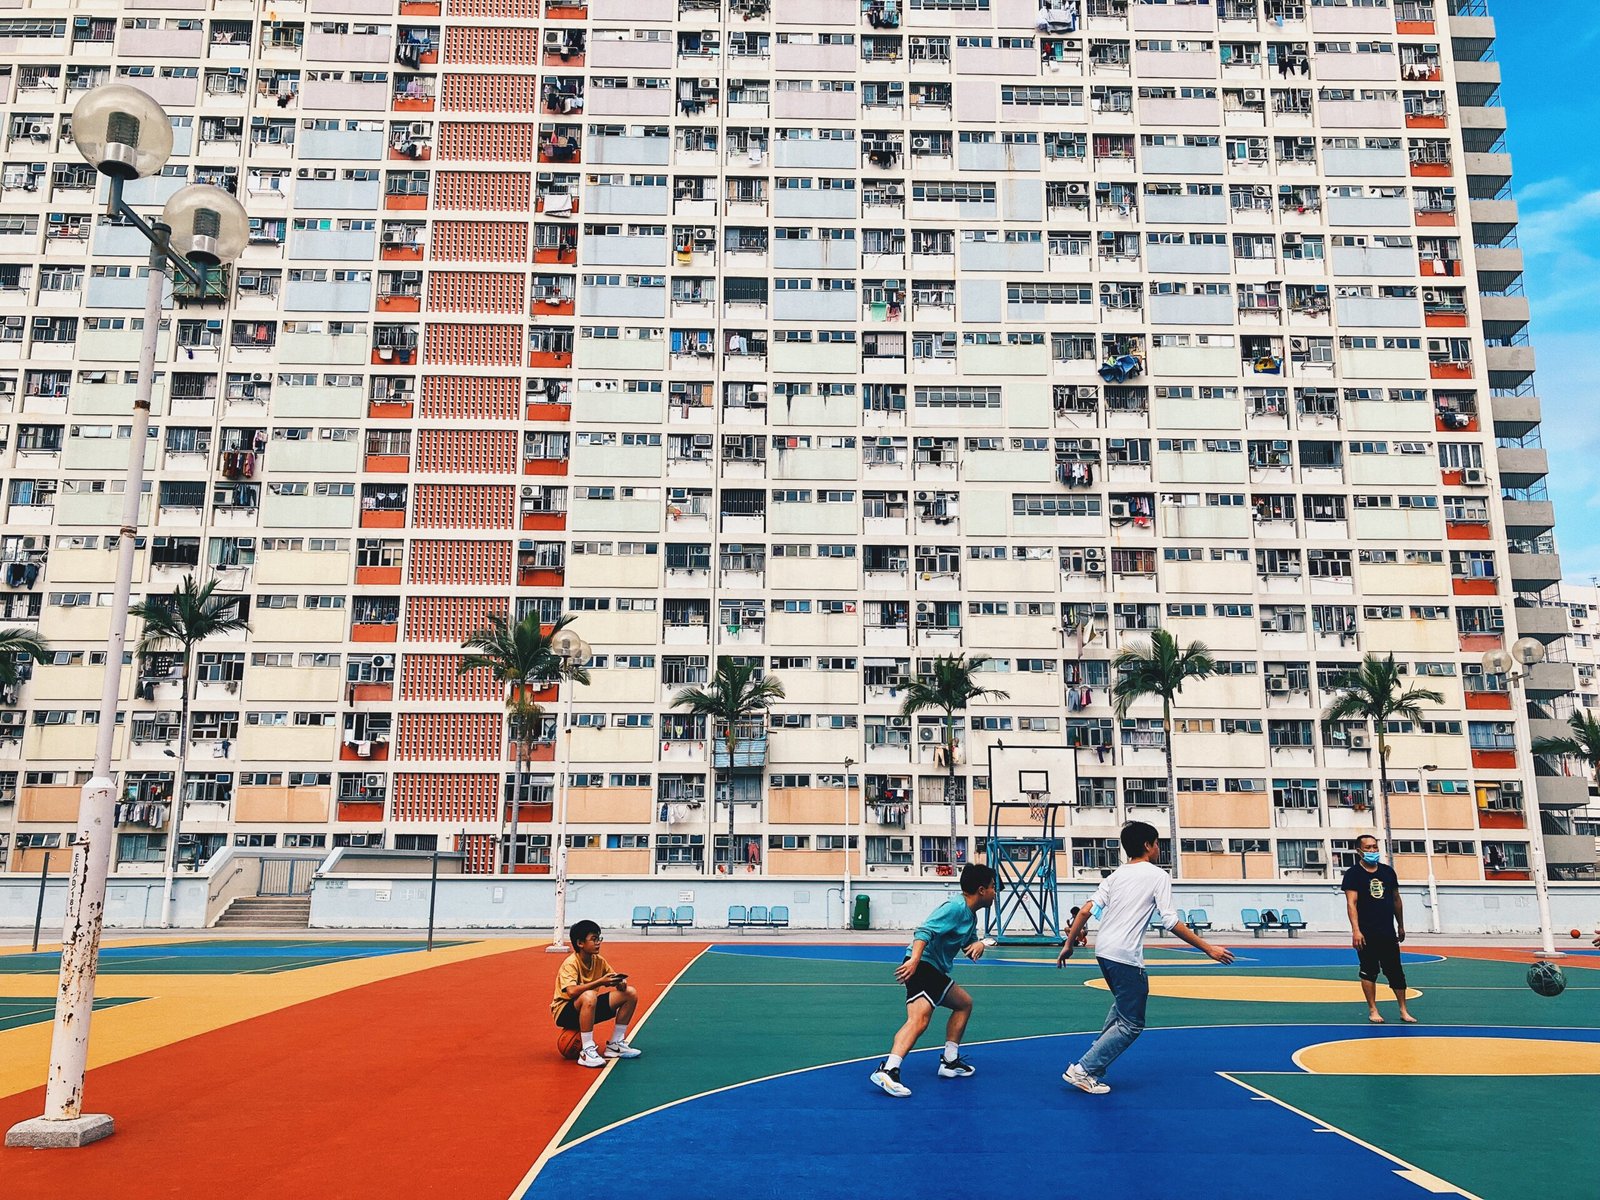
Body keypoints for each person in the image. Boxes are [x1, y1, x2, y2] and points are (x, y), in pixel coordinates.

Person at [1057, 821, 1234, 1095]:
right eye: (1157, 843)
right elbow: (1170, 921)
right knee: (1132, 1024)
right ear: (1147, 845)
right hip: (1125, 955)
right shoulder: (1157, 876)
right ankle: (1084, 1069)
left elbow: (1084, 911)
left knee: (1122, 1010)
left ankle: (1095, 1061)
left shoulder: (1115, 876)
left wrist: (1069, 945)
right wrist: (1208, 949)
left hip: (1104, 951)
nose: (1159, 848)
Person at [869, 863, 998, 1098]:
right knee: (919, 1020)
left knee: (964, 1004)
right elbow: (924, 932)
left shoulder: (970, 917)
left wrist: (981, 944)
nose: (995, 892)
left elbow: (969, 947)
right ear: (981, 890)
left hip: (933, 969)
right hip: (922, 965)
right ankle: (888, 1071)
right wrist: (914, 960)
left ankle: (949, 1062)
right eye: (992, 887)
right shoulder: (955, 907)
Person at [1341, 834, 1416, 1025]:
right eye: (1368, 848)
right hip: (1367, 933)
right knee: (1369, 970)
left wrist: (1400, 924)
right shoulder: (1353, 874)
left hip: (1387, 932)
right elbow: (1351, 903)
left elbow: (1396, 899)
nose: (1373, 851)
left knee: (1396, 971)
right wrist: (1356, 930)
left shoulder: (1388, 872)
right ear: (1359, 851)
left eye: (1375, 847)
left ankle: (1403, 1010)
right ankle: (1373, 1009)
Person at [551, 919, 644, 1068]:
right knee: (589, 995)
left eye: (599, 938)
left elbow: (612, 976)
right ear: (580, 943)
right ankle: (587, 1050)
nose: (598, 942)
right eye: (594, 939)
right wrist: (600, 982)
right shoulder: (571, 963)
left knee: (630, 993)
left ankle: (615, 1044)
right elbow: (571, 991)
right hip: (565, 1012)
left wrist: (620, 983)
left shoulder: (599, 961)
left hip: (589, 1006)